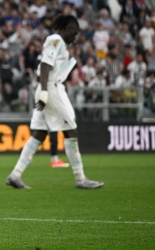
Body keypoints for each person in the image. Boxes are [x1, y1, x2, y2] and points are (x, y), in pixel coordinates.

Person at [6, 15, 103, 189]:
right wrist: (44, 91)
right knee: (70, 130)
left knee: (40, 133)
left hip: (47, 88)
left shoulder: (59, 44)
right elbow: (44, 65)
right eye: (74, 33)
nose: (75, 37)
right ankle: (80, 179)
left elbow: (41, 69)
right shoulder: (55, 39)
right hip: (51, 89)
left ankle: (15, 175)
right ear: (67, 29)